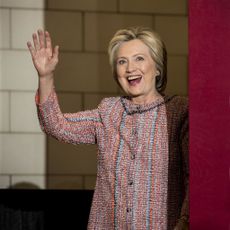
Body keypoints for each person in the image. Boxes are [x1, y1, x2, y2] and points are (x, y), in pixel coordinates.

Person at [27, 27, 188, 230]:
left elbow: (195, 178)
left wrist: (185, 221)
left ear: (157, 68)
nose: (130, 68)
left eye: (139, 58)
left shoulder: (180, 112)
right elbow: (56, 126)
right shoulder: (109, 111)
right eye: (122, 61)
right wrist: (45, 77)